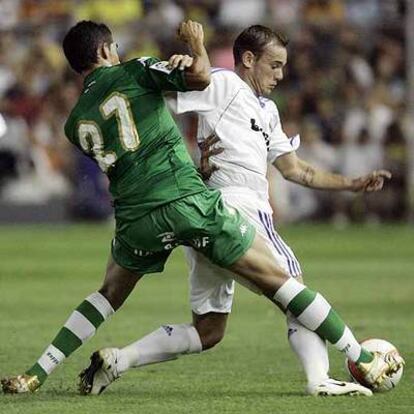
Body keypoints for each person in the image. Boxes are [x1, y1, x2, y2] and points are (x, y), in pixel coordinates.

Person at [1, 20, 403, 395]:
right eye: (276, 65)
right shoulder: (139, 70)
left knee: (120, 298)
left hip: (136, 218)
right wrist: (193, 45)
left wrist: (350, 184)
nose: (280, 74)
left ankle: (38, 372)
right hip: (192, 204)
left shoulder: (75, 123)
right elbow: (198, 80)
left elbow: (133, 142)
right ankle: (362, 360)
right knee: (284, 284)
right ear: (107, 50)